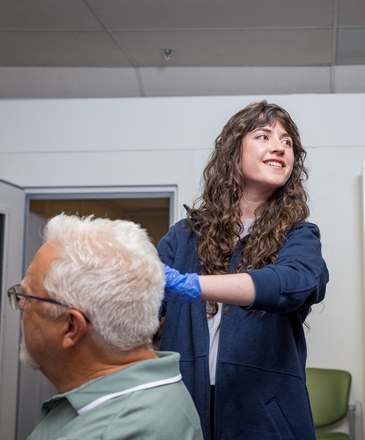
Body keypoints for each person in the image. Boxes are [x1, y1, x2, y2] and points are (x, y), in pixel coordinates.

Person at [157, 100, 329, 439]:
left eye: (287, 142)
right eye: (263, 136)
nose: (279, 146)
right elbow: (137, 307)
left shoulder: (299, 235)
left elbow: (295, 282)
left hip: (265, 420)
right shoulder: (183, 236)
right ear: (233, 151)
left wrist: (196, 285)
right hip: (185, 410)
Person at [8, 214, 203, 440]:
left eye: (29, 296)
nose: (22, 305)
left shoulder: (113, 432)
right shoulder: (160, 390)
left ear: (71, 326)